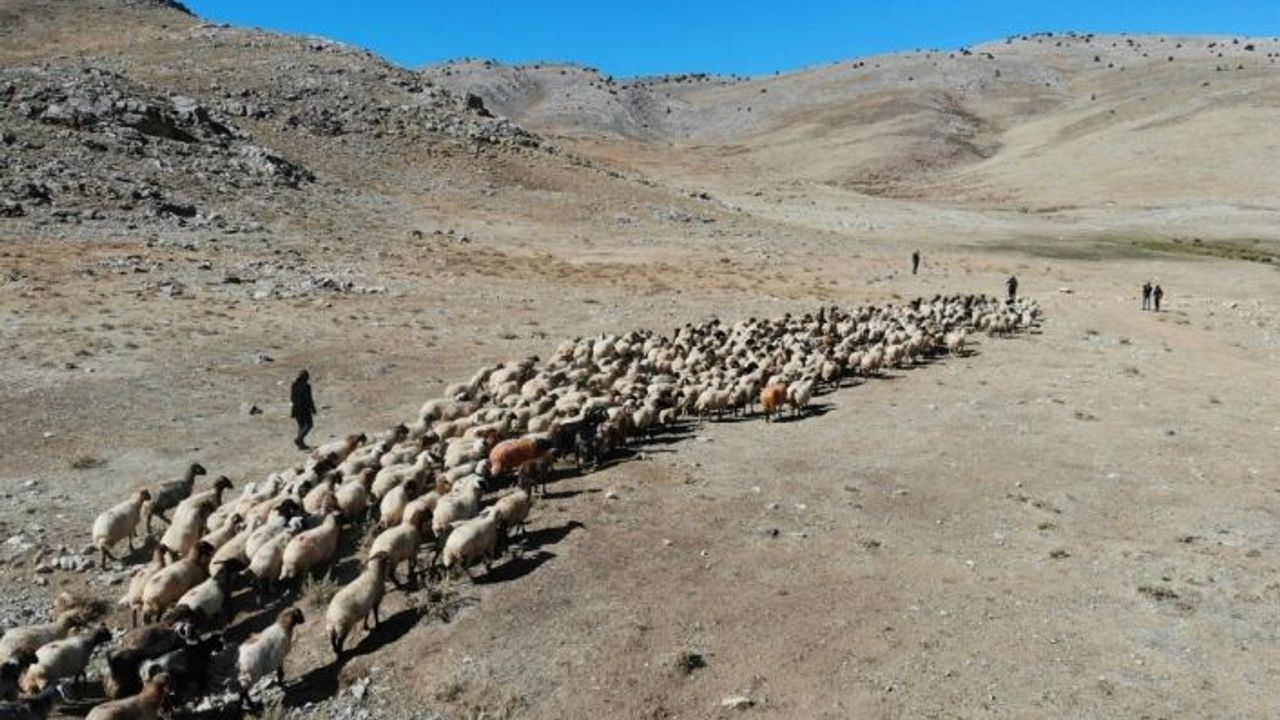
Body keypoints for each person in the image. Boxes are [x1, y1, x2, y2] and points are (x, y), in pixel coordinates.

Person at [290, 370, 317, 450]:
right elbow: (309, 399)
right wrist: (313, 408)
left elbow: (292, 398)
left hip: (296, 408)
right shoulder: (307, 386)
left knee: (301, 426)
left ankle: (300, 444)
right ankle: (299, 439)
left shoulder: (294, 385)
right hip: (305, 408)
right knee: (309, 425)